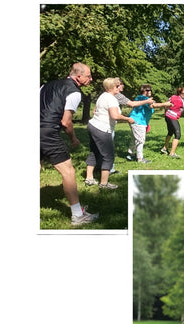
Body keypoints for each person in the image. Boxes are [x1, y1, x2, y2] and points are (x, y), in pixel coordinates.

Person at [40, 62, 99, 226]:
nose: (91, 79)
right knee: (68, 171)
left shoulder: (46, 85)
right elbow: (66, 122)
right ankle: (77, 215)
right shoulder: (74, 92)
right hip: (48, 132)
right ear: (78, 76)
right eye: (88, 76)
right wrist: (73, 138)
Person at [85, 78, 134, 189]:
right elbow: (115, 116)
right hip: (102, 129)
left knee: (94, 152)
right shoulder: (111, 99)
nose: (119, 88)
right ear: (112, 87)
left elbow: (95, 111)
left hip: (93, 125)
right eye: (118, 86)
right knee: (108, 156)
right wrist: (128, 119)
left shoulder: (103, 96)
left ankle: (89, 178)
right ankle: (104, 184)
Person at [126, 84, 172, 164]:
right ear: (143, 91)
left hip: (137, 121)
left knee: (134, 138)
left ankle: (130, 154)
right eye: (147, 90)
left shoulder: (141, 98)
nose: (149, 91)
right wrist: (165, 104)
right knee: (140, 140)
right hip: (138, 122)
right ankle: (140, 158)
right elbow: (153, 105)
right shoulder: (143, 98)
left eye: (150, 90)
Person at [161, 87, 184, 159]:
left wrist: (166, 112)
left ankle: (164, 148)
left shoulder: (172, 97)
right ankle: (172, 153)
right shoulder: (183, 101)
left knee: (170, 132)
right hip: (173, 118)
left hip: (167, 116)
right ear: (179, 93)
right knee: (178, 134)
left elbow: (166, 104)